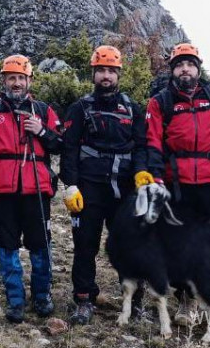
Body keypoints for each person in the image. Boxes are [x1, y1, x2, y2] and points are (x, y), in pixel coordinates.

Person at [137, 42, 210, 330]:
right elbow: (152, 141)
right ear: (172, 70)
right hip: (178, 185)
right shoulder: (160, 102)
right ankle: (188, 302)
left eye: (190, 64)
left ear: (198, 69)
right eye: (179, 64)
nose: (184, 69)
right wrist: (156, 178)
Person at [0, 55, 62, 324]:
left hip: (37, 190)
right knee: (7, 246)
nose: (17, 83)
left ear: (29, 80)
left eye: (21, 78)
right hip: (3, 192)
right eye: (12, 77)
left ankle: (42, 295)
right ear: (4, 80)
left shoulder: (44, 111)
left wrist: (42, 132)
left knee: (40, 246)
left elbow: (60, 144)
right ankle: (15, 299)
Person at [60, 46, 147, 325]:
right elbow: (69, 148)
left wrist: (142, 174)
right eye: (101, 70)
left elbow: (142, 147)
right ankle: (84, 299)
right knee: (85, 245)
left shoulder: (132, 109)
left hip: (123, 191)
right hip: (89, 189)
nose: (106, 76)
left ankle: (134, 302)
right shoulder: (80, 107)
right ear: (94, 73)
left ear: (118, 74)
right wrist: (70, 184)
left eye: (111, 70)